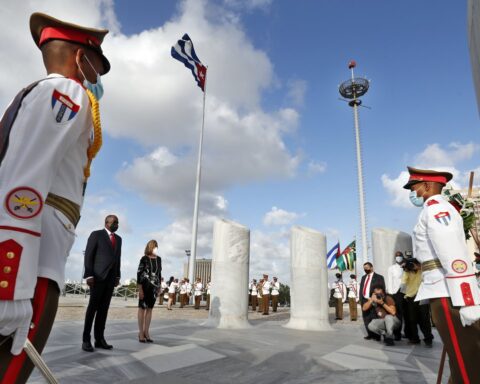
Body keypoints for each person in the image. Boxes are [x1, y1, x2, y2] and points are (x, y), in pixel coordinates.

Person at [0, 12, 110, 382]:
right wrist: (10, 283)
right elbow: (21, 183)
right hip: (34, 251)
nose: (99, 77)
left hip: (39, 243)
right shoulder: (65, 92)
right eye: (97, 65)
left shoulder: (45, 92)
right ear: (81, 58)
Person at [404, 166, 480, 383]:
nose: (413, 193)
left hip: (448, 292)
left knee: (467, 360)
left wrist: (466, 299)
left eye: (414, 187)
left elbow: (453, 254)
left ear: (427, 186)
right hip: (444, 289)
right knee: (461, 355)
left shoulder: (436, 209)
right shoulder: (436, 209)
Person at [82, 215, 121, 352]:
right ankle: (86, 340)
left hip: (110, 279)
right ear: (106, 223)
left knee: (104, 310)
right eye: (114, 222)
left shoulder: (119, 239)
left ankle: (99, 339)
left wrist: (117, 276)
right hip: (97, 278)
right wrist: (89, 275)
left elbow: (118, 259)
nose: (116, 224)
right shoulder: (96, 235)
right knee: (92, 308)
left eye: (117, 222)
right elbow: (89, 255)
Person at [401, 257, 433, 347]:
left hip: (422, 296)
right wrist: (406, 269)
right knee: (412, 319)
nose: (412, 266)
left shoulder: (423, 270)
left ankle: (428, 339)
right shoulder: (407, 271)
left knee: (425, 319)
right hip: (411, 297)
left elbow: (428, 274)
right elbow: (403, 282)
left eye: (413, 264)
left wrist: (418, 268)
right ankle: (415, 338)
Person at [136, 240, 161, 343]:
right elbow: (139, 274)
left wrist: (159, 287)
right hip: (144, 287)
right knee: (142, 308)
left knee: (150, 309)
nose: (156, 248)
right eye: (155, 246)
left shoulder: (159, 259)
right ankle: (141, 333)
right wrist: (140, 289)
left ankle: (147, 332)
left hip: (154, 288)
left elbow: (159, 273)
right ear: (150, 247)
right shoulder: (144, 259)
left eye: (157, 246)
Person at [359, 262, 385, 340]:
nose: (365, 269)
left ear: (371, 267)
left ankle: (377, 336)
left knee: (374, 317)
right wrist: (360, 299)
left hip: (374, 300)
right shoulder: (363, 277)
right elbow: (361, 289)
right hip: (364, 300)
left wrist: (377, 299)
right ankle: (370, 334)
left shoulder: (379, 277)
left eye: (367, 267)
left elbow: (382, 289)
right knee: (366, 318)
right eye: (364, 268)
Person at [386, 251, 406, 341]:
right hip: (396, 293)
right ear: (395, 258)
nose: (398, 257)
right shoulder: (391, 268)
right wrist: (390, 294)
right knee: (398, 315)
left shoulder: (406, 267)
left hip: (406, 293)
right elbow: (390, 281)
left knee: (408, 315)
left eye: (400, 256)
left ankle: (408, 333)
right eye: (397, 256)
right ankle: (397, 334)